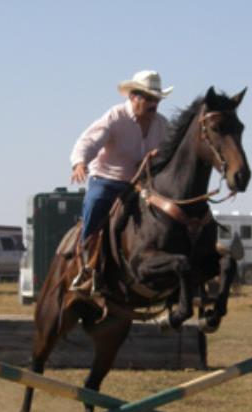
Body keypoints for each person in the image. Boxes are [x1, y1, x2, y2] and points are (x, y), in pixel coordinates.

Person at [68, 70, 173, 294]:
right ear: (133, 97)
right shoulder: (115, 117)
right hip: (108, 179)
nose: (154, 104)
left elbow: (171, 154)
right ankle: (87, 262)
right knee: (96, 202)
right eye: (149, 98)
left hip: (140, 185)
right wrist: (80, 163)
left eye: (157, 99)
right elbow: (88, 141)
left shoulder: (162, 125)